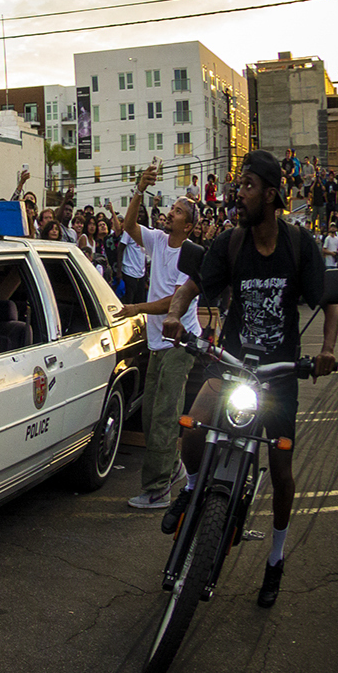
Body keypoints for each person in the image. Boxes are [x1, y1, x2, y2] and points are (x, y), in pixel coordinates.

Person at [159, 151, 338, 609]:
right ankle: (193, 489)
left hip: (279, 375)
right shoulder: (230, 244)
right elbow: (191, 287)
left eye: (249, 186)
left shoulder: (299, 246)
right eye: (240, 185)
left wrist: (326, 351)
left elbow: (329, 302)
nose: (240, 193)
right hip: (235, 365)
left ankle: (275, 559)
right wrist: (176, 317)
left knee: (281, 472)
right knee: (194, 427)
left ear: (273, 195)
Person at [114, 167, 202, 513]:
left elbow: (174, 302)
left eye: (178, 211)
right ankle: (174, 467)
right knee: (151, 415)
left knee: (165, 416)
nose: (170, 213)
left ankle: (157, 489)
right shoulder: (159, 240)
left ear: (189, 225)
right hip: (156, 343)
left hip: (179, 344)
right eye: (172, 209)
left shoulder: (190, 253)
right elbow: (128, 226)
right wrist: (139, 189)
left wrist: (136, 307)